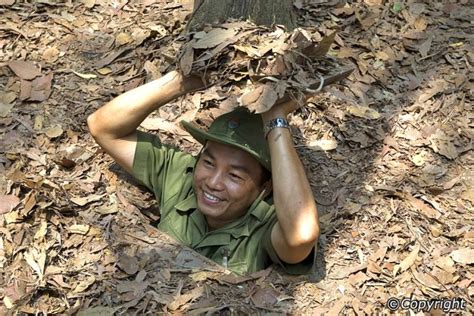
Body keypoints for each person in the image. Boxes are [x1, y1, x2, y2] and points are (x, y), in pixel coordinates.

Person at [87, 71, 320, 275]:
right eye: (208, 163)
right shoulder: (181, 175)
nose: (213, 182)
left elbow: (302, 235)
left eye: (235, 176)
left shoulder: (265, 226)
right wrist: (184, 79)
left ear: (266, 186)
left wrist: (275, 117)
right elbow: (103, 128)